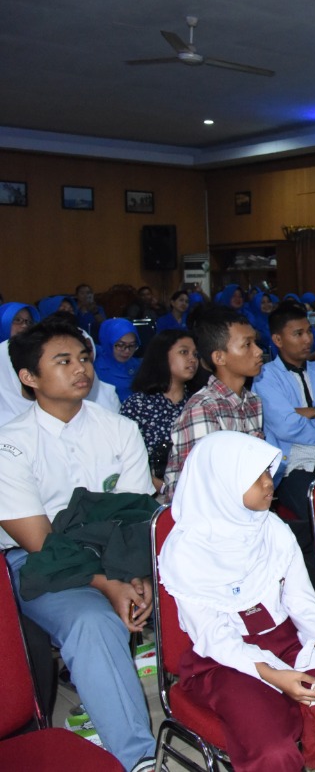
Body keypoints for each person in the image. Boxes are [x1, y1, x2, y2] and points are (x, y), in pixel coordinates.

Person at [159, 432, 315, 772]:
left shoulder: (271, 528)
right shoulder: (186, 552)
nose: (268, 483)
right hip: (225, 663)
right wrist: (275, 675)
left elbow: (302, 603)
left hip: (287, 641)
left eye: (268, 472)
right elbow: (215, 638)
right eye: (256, 476)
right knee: (273, 750)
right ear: (222, 486)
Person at [1, 319, 157, 771]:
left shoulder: (119, 430)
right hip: (35, 562)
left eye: (84, 358)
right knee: (91, 620)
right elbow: (38, 540)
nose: (81, 369)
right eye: (63, 361)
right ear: (29, 378)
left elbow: (134, 517)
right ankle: (137, 758)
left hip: (114, 555)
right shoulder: (9, 444)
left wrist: (135, 575)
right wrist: (109, 583)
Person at [163, 306, 264, 498]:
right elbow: (201, 485)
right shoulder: (203, 408)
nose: (259, 351)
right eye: (247, 345)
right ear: (219, 357)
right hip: (205, 512)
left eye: (256, 343)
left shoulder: (253, 401)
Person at [256, 303, 315, 520]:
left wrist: (311, 412)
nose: (308, 339)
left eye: (309, 331)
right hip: (294, 467)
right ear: (277, 340)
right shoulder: (266, 377)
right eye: (298, 334)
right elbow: (287, 427)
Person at [120, 329, 199, 490]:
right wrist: (163, 488)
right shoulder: (137, 405)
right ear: (161, 356)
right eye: (184, 352)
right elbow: (123, 457)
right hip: (148, 492)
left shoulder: (199, 403)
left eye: (195, 354)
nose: (192, 359)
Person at [94, 318, 142, 402]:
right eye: (120, 345)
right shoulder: (95, 370)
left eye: (132, 345)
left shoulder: (139, 365)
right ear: (108, 343)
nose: (127, 351)